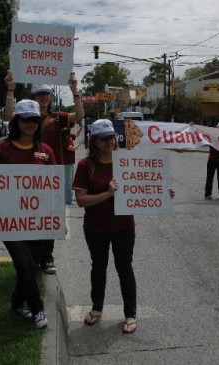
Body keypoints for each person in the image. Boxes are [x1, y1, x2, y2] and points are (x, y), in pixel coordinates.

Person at [72, 119, 175, 334]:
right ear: (95, 141)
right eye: (103, 138)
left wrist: (163, 193)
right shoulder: (85, 165)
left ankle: (130, 314)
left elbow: (145, 186)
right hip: (96, 227)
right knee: (98, 268)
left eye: (111, 137)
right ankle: (97, 307)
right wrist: (107, 194)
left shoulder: (126, 161)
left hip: (124, 227)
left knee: (124, 268)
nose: (109, 141)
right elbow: (81, 200)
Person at [4, 70, 84, 274]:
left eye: (46, 94)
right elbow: (9, 116)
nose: (43, 98)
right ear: (33, 97)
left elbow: (80, 115)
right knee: (27, 216)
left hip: (50, 176)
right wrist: (10, 90)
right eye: (40, 94)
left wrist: (75, 90)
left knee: (48, 216)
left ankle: (47, 257)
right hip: (25, 176)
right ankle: (30, 256)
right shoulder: (24, 117)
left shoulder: (58, 118)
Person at [0, 99, 56, 329]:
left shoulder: (46, 152)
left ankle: (16, 303)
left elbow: (53, 189)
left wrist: (58, 220)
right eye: (26, 119)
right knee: (25, 265)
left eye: (34, 119)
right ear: (17, 121)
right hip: (10, 220)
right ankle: (37, 309)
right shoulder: (2, 149)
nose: (30, 123)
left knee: (31, 266)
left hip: (38, 221)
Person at [205, 121, 219, 200]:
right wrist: (193, 126)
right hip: (212, 160)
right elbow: (200, 133)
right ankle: (208, 194)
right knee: (210, 178)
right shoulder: (212, 136)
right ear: (217, 128)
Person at [62, 123, 83, 204]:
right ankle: (68, 199)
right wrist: (79, 144)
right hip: (67, 162)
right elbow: (72, 149)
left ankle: (70, 196)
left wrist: (81, 128)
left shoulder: (69, 136)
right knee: (68, 181)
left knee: (70, 180)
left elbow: (76, 135)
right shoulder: (65, 139)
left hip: (70, 161)